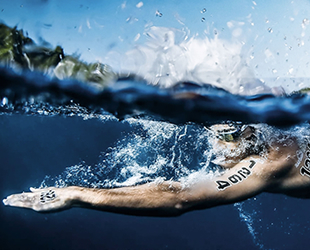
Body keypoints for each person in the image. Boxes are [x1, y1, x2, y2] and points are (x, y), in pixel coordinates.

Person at [3, 124, 310, 217]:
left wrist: (78, 194)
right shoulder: (275, 131)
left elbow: (180, 197)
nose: (215, 151)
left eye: (227, 136)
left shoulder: (266, 164)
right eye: (211, 131)